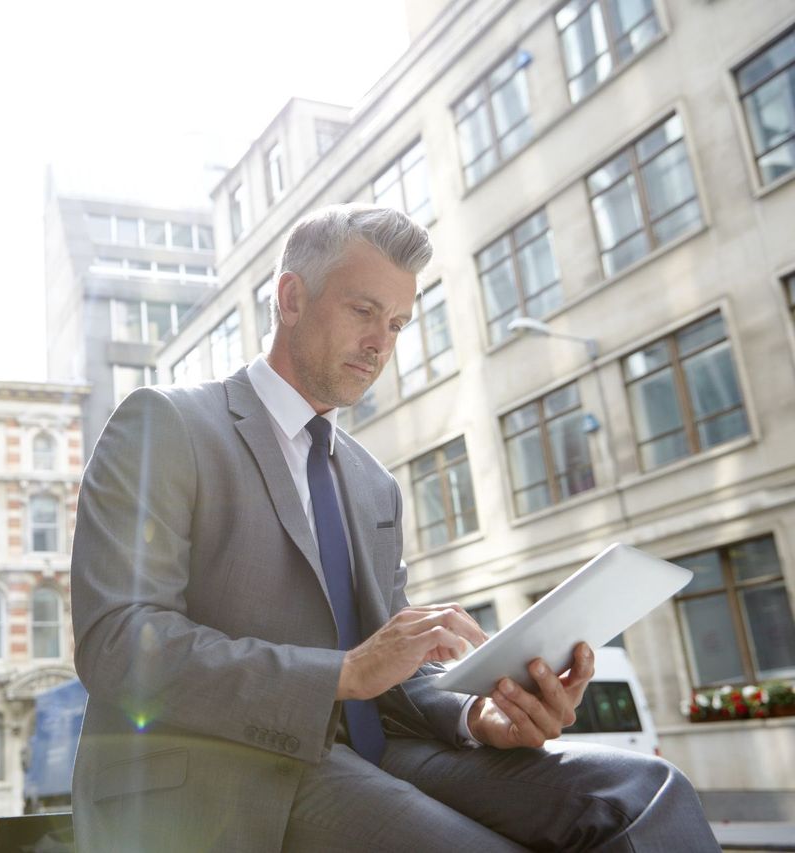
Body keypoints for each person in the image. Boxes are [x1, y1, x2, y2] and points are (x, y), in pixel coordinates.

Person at [69, 203, 718, 852]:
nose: (382, 343)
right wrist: (342, 673)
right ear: (292, 298)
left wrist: (477, 714)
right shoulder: (166, 425)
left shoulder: (372, 480)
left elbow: (394, 675)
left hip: (387, 752)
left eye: (399, 323)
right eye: (363, 311)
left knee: (649, 793)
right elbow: (117, 641)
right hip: (238, 770)